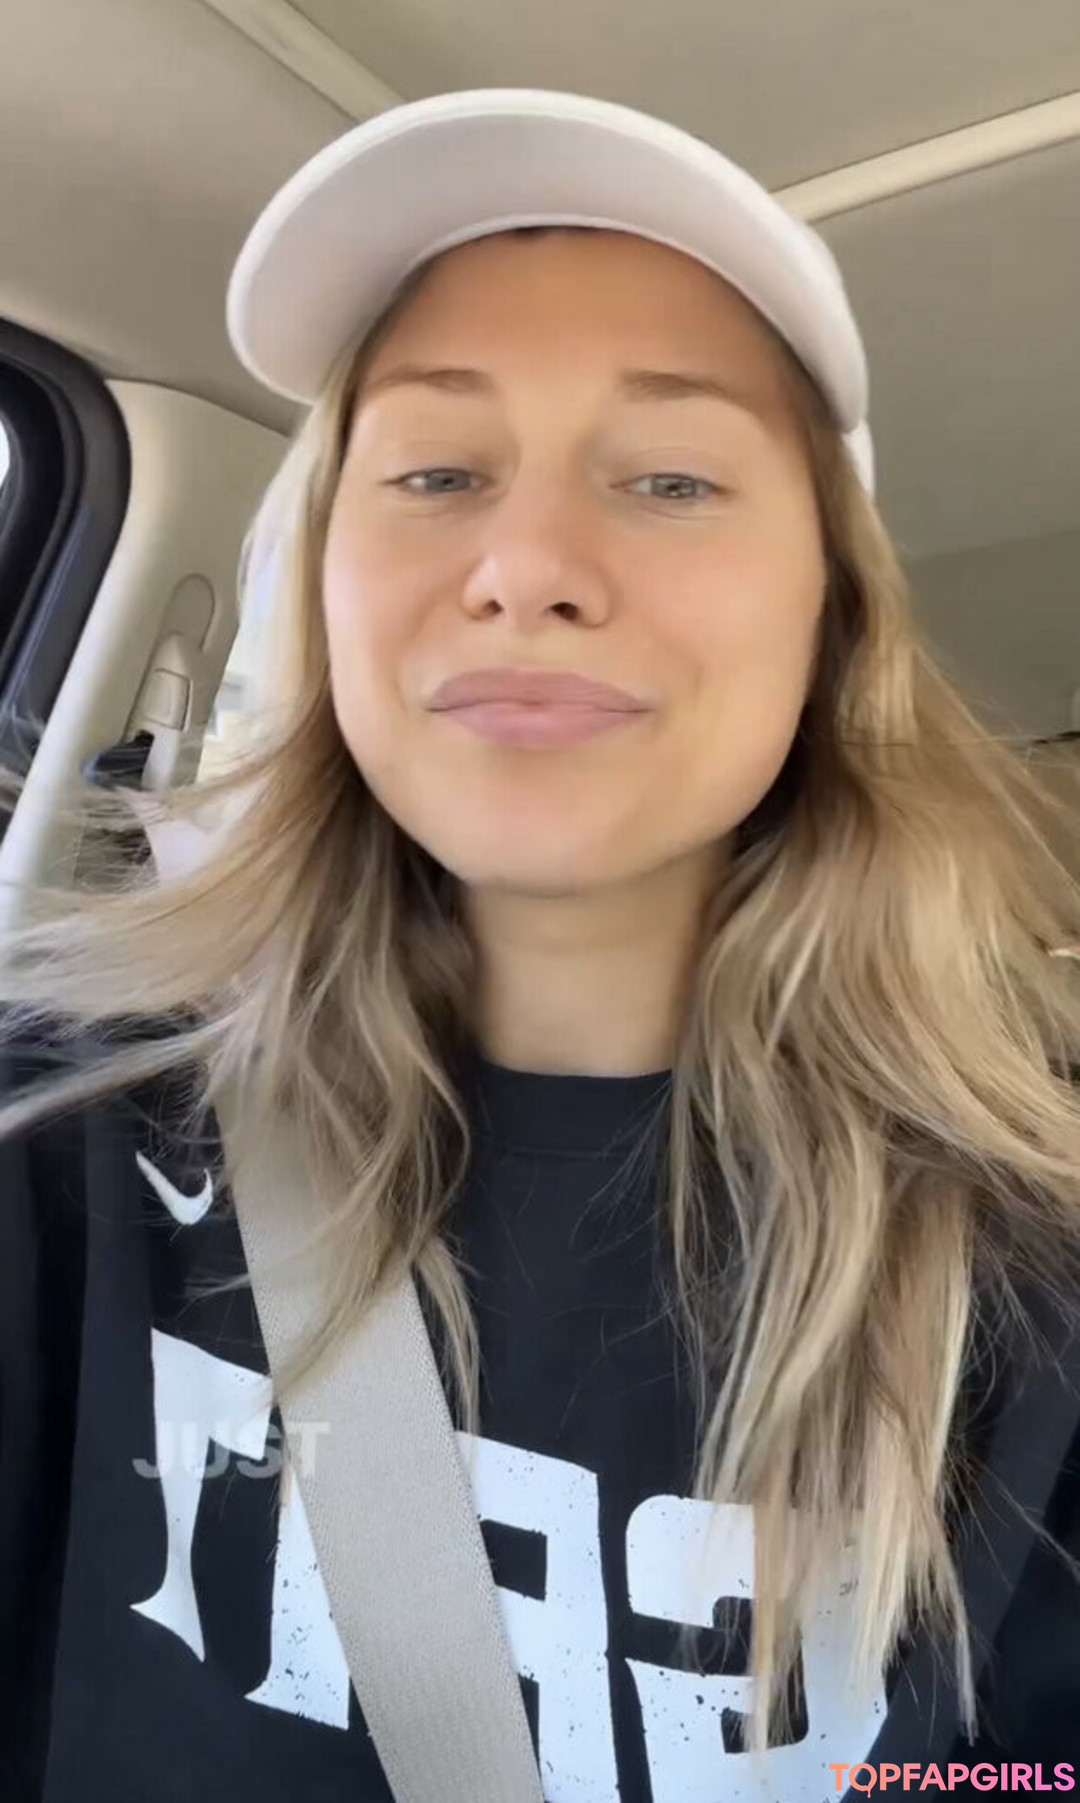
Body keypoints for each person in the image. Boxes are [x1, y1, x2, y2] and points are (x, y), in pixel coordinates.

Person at [1, 88, 1079, 1803]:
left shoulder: (1031, 1262)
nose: (527, 566)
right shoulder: (53, 1131)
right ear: (323, 588)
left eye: (672, 478)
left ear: (831, 623)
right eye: (436, 472)